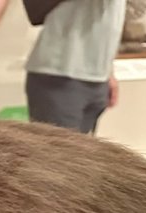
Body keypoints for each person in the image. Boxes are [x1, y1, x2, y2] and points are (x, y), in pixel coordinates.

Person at [25, 0, 123, 132]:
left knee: (84, 151)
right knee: (60, 150)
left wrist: (109, 71)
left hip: (96, 76)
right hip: (60, 75)